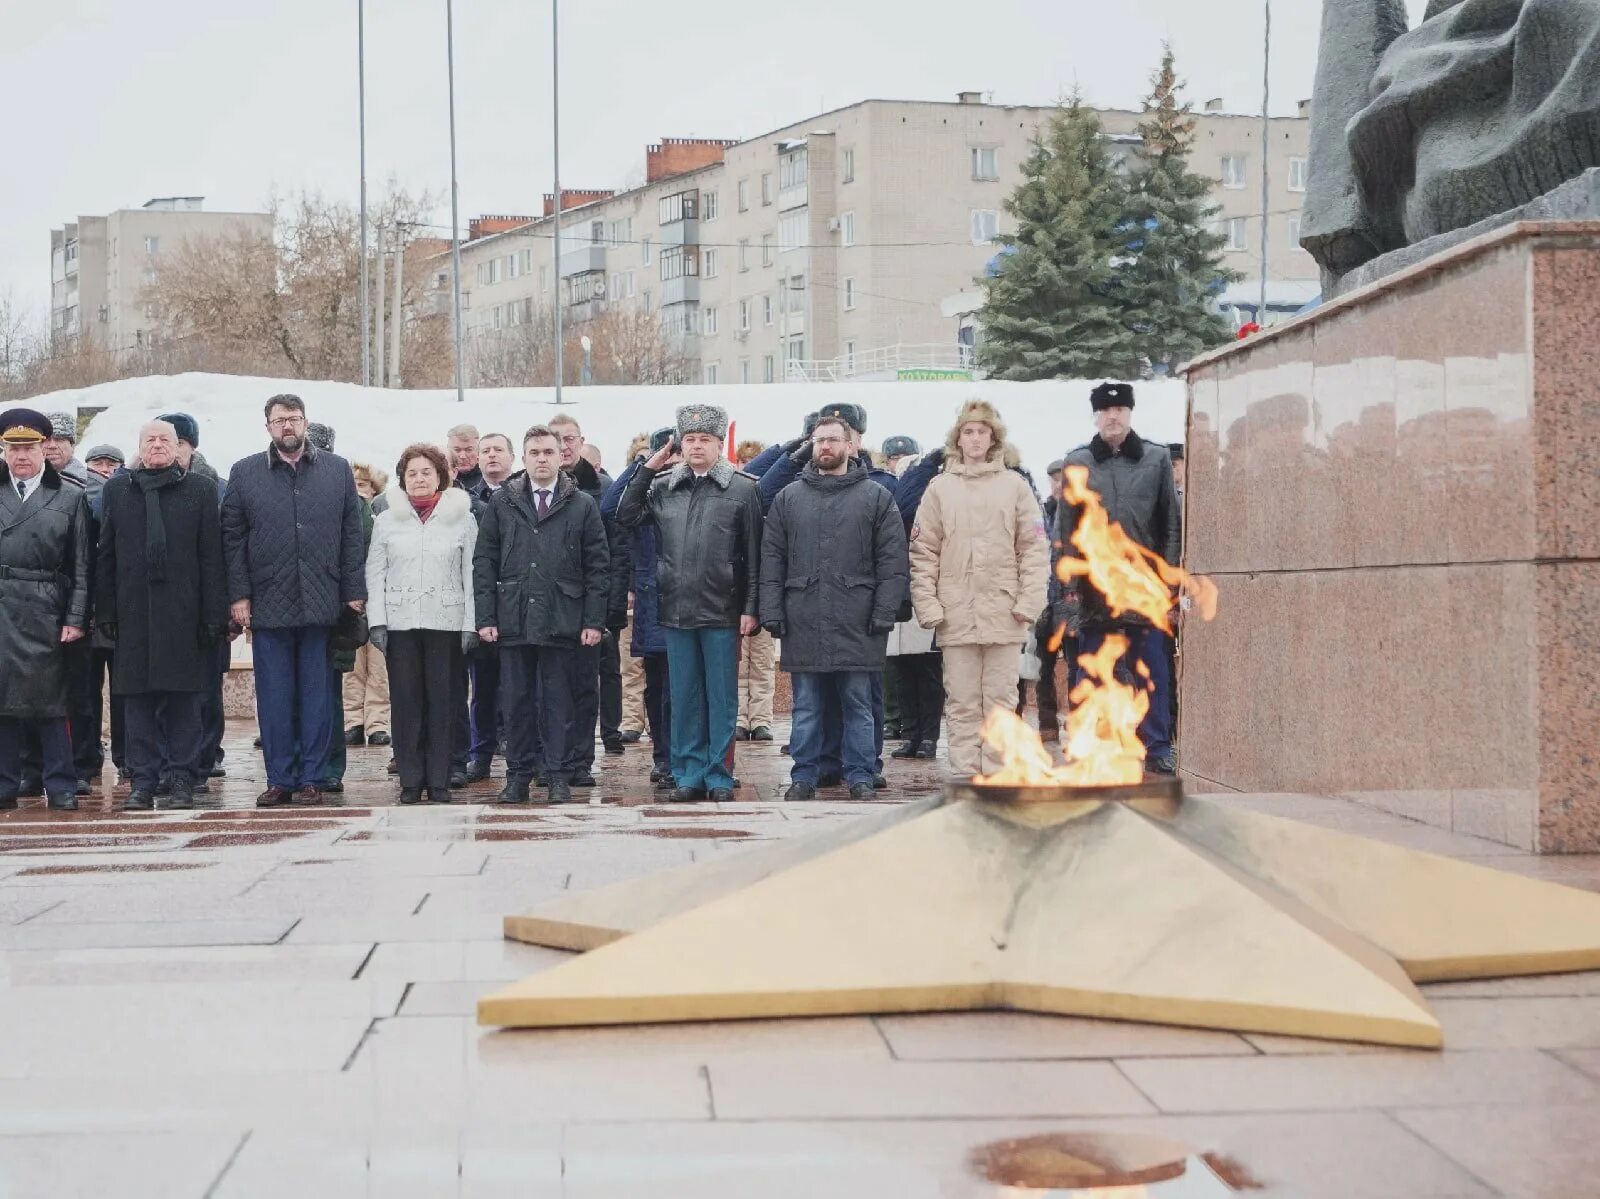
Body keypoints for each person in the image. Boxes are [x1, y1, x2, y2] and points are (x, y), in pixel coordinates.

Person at [221, 394, 366, 808]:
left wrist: (353, 591)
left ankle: (313, 778)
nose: (288, 426)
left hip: (322, 597)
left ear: (306, 423)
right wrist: (239, 595)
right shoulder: (245, 472)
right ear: (267, 426)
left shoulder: (336, 470)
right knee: (274, 694)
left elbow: (351, 533)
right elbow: (232, 539)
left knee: (318, 694)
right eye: (280, 420)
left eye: (295, 419)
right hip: (268, 600)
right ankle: (280, 777)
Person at [617, 405, 762, 803]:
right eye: (690, 440)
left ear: (719, 445)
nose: (697, 447)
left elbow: (753, 555)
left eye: (705, 440)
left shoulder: (743, 488)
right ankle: (688, 773)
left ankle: (718, 775)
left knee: (721, 697)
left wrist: (751, 607)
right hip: (675, 607)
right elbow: (624, 513)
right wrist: (648, 467)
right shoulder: (664, 487)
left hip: (722, 608)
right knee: (683, 697)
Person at [760, 416, 907, 800]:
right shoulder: (789, 498)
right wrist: (771, 610)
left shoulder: (876, 497)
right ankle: (803, 776)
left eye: (832, 440)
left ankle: (860, 774)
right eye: (819, 440)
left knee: (859, 704)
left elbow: (892, 561)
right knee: (806, 706)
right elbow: (772, 559)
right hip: (803, 618)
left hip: (858, 620)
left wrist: (884, 611)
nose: (825, 446)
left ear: (850, 446)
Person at [909, 399, 1049, 778]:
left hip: (1004, 612)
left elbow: (1034, 549)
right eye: (968, 432)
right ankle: (966, 774)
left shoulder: (1015, 486)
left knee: (1002, 700)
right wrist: (930, 607)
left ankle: (998, 772)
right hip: (955, 614)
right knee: (961, 701)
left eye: (982, 432)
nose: (974, 439)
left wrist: (1028, 603)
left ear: (993, 438)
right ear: (958, 438)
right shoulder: (939, 489)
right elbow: (923, 552)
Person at [95, 421, 227, 811]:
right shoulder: (118, 490)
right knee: (136, 703)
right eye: (149, 440)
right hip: (133, 612)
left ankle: (183, 778)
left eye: (164, 440)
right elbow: (106, 555)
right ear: (138, 447)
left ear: (178, 447)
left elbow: (211, 557)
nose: (157, 445)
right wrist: (105, 611)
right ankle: (143, 781)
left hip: (183, 613)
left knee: (184, 701)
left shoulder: (199, 490)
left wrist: (213, 615)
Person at [474, 425, 609, 804]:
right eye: (534, 453)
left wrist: (593, 621)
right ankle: (517, 775)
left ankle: (558, 774)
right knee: (515, 702)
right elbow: (484, 560)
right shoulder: (503, 503)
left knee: (558, 702)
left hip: (562, 617)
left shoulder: (580, 503)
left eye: (548, 452)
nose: (542, 459)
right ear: (523, 458)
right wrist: (486, 616)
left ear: (560, 455)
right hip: (514, 617)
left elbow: (598, 566)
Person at [1059, 382, 1183, 774]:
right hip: (1096, 588)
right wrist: (1070, 585)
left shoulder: (1156, 458)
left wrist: (1169, 579)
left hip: (1144, 587)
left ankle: (1156, 743)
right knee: (1094, 671)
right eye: (1106, 411)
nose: (1113, 417)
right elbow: (1066, 530)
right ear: (1095, 416)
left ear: (1130, 413)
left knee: (1152, 670)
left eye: (1121, 410)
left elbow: (1171, 525)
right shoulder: (1077, 461)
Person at [367, 444, 478, 806]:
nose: (419, 479)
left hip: (446, 621)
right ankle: (411, 780)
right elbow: (375, 572)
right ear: (402, 479)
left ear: (440, 477)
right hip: (400, 624)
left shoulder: (462, 517)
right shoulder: (386, 519)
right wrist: (378, 621)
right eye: (412, 473)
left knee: (445, 703)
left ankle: (441, 779)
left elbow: (472, 573)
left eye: (426, 472)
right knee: (406, 702)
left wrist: (470, 624)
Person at [0, 408, 91, 811]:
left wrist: (75, 618)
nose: (22, 455)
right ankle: (4, 784)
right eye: (13, 447)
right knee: (3, 702)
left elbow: (82, 565)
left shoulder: (70, 497)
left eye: (30, 447)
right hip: (3, 606)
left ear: (45, 448)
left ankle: (61, 783)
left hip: (47, 607)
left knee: (53, 702)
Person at [548, 413, 627, 772]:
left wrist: (608, 608)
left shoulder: (603, 488)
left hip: (588, 602)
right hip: (548, 604)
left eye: (569, 439)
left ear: (581, 442)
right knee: (548, 688)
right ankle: (551, 760)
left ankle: (582, 760)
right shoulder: (530, 486)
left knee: (587, 685)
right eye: (556, 440)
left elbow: (614, 550)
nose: (563, 447)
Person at [602, 428, 675, 786]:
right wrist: (644, 465)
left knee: (693, 689)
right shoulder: (645, 495)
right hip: (654, 603)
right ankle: (664, 757)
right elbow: (610, 508)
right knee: (658, 687)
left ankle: (692, 758)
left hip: (696, 605)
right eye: (668, 455)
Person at [456, 433, 517, 782]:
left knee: (521, 687)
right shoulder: (464, 500)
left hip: (520, 602)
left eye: (498, 450)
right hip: (482, 604)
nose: (492, 456)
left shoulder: (524, 494)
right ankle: (480, 753)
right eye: (486, 451)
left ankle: (524, 753)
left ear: (512, 457)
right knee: (482, 688)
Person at [344, 464, 392, 749]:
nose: (359, 491)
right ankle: (352, 722)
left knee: (379, 668)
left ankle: (378, 723)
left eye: (364, 485)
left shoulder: (381, 519)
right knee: (352, 668)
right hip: (350, 601)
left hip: (379, 602)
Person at [733, 439, 776, 743]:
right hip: (734, 594)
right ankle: (738, 718)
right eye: (742, 461)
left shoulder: (770, 499)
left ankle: (761, 719)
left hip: (763, 591)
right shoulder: (733, 497)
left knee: (761, 662)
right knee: (737, 664)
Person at [615, 433, 651, 746]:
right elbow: (620, 547)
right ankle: (631, 720)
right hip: (631, 592)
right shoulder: (627, 498)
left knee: (655, 667)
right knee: (630, 667)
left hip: (655, 592)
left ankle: (652, 722)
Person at [447, 424, 483, 493]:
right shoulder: (438, 479)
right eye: (457, 450)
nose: (463, 456)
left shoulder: (489, 479)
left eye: (469, 450)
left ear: (478, 451)